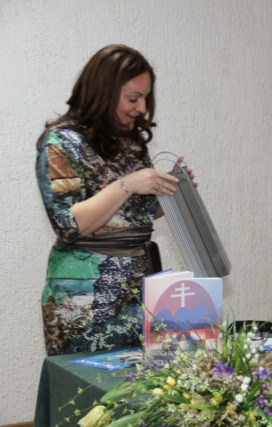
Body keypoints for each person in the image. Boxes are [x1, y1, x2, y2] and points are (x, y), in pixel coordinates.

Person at [35, 44, 189, 356]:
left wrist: (171, 193)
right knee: (88, 382)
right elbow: (68, 225)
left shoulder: (131, 142)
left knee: (142, 382)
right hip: (84, 296)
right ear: (103, 92)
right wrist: (128, 184)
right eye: (133, 98)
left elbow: (129, 216)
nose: (142, 107)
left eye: (146, 98)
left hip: (139, 287)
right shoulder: (62, 143)